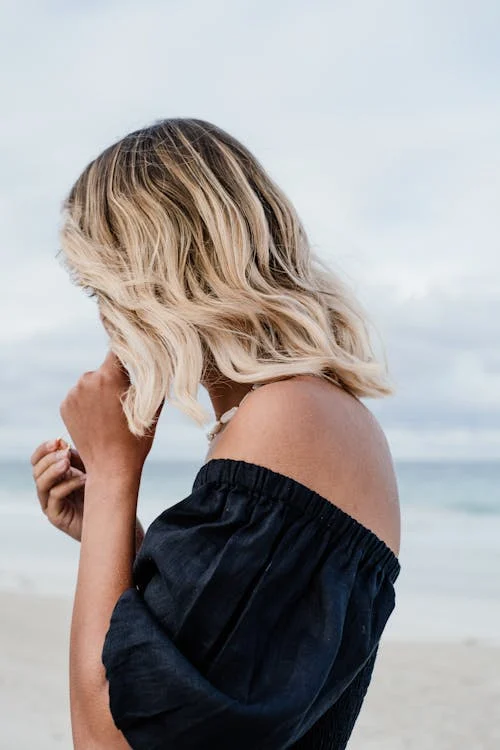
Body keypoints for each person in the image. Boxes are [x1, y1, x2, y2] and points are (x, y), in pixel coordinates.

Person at [30, 118, 401, 749]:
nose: (103, 314)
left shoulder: (287, 419)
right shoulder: (321, 416)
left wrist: (116, 470)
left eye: (101, 285)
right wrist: (108, 530)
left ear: (155, 274)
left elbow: (107, 739)